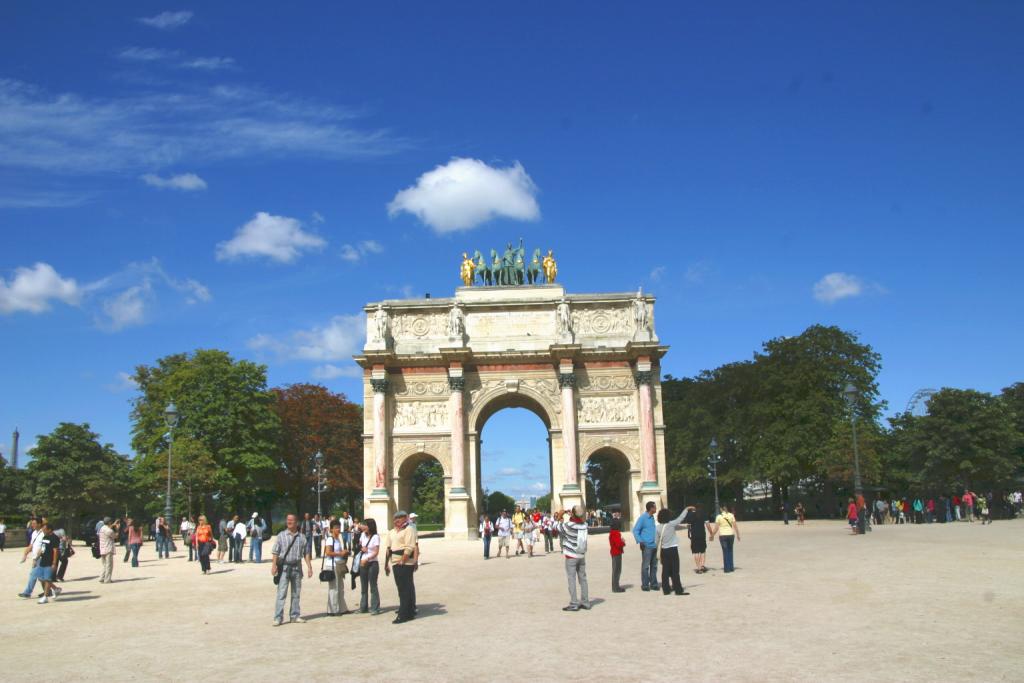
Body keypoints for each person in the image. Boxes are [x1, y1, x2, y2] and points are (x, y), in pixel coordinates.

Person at [271, 513, 312, 626]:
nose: (289, 522)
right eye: (287, 520)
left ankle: (295, 615)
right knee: (281, 593)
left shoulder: (302, 537)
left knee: (296, 593)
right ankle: (278, 617)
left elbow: (306, 553)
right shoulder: (281, 535)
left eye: (291, 520)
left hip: (297, 567)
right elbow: (275, 552)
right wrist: (274, 565)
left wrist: (309, 567)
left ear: (296, 522)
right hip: (284, 567)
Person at [552, 506, 590, 611]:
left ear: (573, 514)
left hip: (571, 556)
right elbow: (578, 521)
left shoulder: (568, 525)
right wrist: (572, 515)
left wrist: (559, 515)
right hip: (581, 555)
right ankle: (585, 602)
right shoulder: (585, 525)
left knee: (571, 579)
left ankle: (574, 603)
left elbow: (555, 526)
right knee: (583, 579)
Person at [384, 510, 418, 624]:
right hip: (395, 561)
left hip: (405, 562)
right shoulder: (391, 532)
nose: (397, 520)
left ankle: (404, 614)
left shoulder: (409, 529)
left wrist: (403, 560)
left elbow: (410, 546)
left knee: (405, 588)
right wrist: (386, 564)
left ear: (405, 519)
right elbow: (388, 549)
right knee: (401, 588)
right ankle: (408, 612)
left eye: (400, 518)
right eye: (395, 518)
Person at [657, 506, 696, 595]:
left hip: (664, 550)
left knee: (665, 571)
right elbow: (681, 518)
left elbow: (656, 541)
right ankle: (678, 589)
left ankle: (666, 589)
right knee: (675, 570)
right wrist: (686, 509)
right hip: (673, 549)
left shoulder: (658, 528)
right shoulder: (671, 524)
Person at [324, 519, 351, 616]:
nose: (338, 529)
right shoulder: (330, 539)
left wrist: (343, 553)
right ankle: (333, 610)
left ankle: (342, 608)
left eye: (339, 527)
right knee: (334, 588)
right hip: (332, 565)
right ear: (331, 529)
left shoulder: (337, 540)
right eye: (336, 528)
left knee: (340, 587)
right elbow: (328, 552)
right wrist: (340, 553)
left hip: (338, 564)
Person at [632, 501, 659, 591]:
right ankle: (645, 584)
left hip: (654, 545)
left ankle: (654, 583)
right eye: (655, 507)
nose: (656, 509)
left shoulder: (652, 518)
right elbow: (635, 530)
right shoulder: (643, 518)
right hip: (647, 545)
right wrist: (640, 541)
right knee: (646, 566)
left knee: (654, 566)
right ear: (651, 508)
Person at [357, 519, 382, 614]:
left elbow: (376, 552)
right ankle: (363, 607)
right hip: (363, 562)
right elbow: (359, 545)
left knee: (373, 586)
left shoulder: (376, 537)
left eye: (365, 525)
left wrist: (367, 558)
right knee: (363, 586)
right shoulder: (362, 535)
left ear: (370, 526)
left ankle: (375, 607)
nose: (363, 527)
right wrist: (361, 548)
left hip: (372, 563)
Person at [35, 522, 61, 604]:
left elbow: (55, 550)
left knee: (47, 579)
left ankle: (45, 597)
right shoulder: (45, 537)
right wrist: (37, 557)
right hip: (43, 560)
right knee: (40, 578)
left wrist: (54, 563)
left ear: (49, 530)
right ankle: (56, 589)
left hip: (50, 561)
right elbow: (42, 548)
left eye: (44, 529)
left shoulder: (54, 538)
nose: (43, 530)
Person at [711, 505, 739, 573]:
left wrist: (712, 535)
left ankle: (727, 568)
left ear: (721, 509)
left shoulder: (719, 516)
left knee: (725, 551)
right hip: (731, 534)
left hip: (723, 535)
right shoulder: (731, 515)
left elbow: (716, 527)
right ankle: (731, 567)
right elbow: (735, 525)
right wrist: (738, 534)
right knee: (730, 550)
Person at [689, 503, 713, 574]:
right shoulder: (704, 514)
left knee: (696, 551)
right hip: (702, 534)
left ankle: (698, 568)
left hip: (694, 535)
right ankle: (702, 566)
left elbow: (688, 525)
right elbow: (708, 525)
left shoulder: (692, 514)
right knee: (702, 550)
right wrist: (711, 533)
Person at [98, 517, 120, 583]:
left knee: (104, 565)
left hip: (102, 548)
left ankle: (102, 578)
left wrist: (114, 524)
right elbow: (115, 536)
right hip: (108, 549)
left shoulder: (102, 528)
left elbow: (108, 527)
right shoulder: (109, 531)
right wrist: (117, 529)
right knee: (109, 565)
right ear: (109, 522)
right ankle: (107, 579)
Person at [609, 517, 626, 592]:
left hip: (614, 552)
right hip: (617, 553)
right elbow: (618, 544)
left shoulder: (612, 533)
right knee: (617, 570)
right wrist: (623, 542)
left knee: (615, 570)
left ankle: (615, 586)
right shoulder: (616, 533)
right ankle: (616, 587)